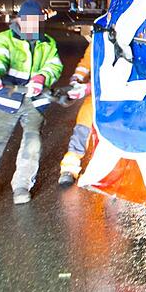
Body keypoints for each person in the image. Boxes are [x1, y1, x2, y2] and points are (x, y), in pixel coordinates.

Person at [0, 0, 63, 211]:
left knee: (32, 143)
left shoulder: (48, 43)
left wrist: (42, 78)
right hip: (6, 99)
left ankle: (22, 186)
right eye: (28, 21)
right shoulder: (4, 39)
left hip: (35, 102)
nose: (32, 26)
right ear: (19, 20)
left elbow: (54, 66)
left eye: (37, 21)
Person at [58, 40, 93, 185]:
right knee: (84, 123)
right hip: (98, 95)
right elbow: (86, 62)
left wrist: (89, 88)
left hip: (129, 96)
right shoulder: (101, 37)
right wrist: (77, 79)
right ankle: (70, 167)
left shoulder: (136, 40)